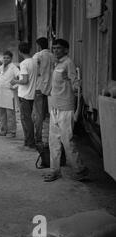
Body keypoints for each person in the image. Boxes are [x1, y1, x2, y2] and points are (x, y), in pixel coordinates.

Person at [43, 39, 89, 182]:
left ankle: (79, 169)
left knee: (67, 141)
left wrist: (69, 80)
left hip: (66, 109)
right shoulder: (56, 63)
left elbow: (76, 86)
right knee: (53, 141)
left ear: (66, 50)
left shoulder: (68, 63)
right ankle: (54, 170)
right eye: (54, 48)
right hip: (55, 108)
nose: (55, 50)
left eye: (59, 48)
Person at [11, 42, 37, 149]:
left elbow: (25, 80)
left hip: (25, 95)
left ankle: (30, 142)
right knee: (29, 118)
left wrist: (15, 81)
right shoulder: (35, 62)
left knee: (26, 120)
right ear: (30, 50)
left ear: (20, 52)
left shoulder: (24, 64)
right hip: (32, 94)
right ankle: (29, 141)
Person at [32, 37, 55, 145]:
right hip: (52, 89)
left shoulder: (38, 56)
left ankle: (38, 138)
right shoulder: (53, 56)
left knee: (39, 115)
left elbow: (33, 71)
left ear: (39, 46)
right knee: (50, 115)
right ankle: (50, 138)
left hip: (39, 88)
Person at [0, 51, 19, 137]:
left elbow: (20, 78)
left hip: (9, 93)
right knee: (2, 113)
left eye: (7, 58)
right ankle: (3, 130)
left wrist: (14, 85)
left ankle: (12, 132)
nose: (5, 59)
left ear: (11, 59)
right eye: (4, 57)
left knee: (10, 114)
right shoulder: (1, 67)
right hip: (1, 92)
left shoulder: (14, 68)